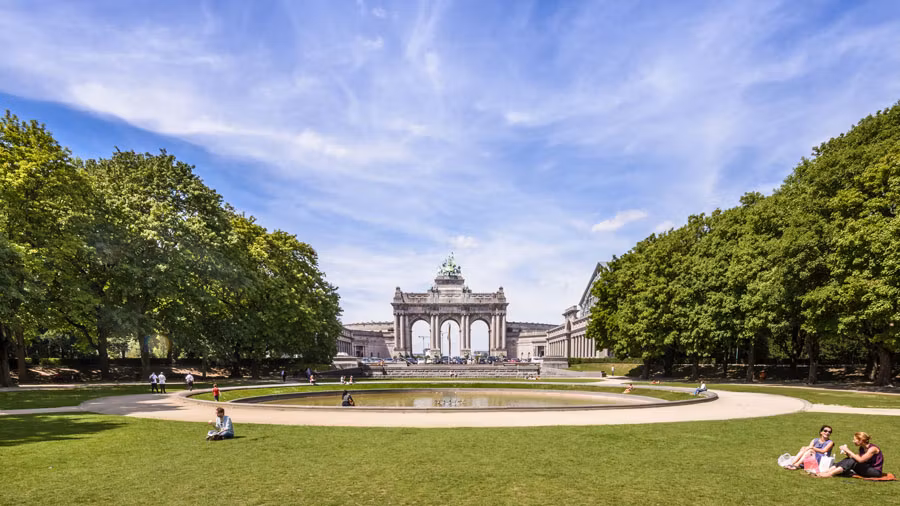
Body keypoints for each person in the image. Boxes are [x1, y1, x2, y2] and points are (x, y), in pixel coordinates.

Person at [815, 432, 883, 478]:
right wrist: (847, 453)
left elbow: (861, 460)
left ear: (861, 440)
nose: (853, 441)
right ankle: (827, 471)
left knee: (852, 460)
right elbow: (856, 458)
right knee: (849, 460)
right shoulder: (862, 448)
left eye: (855, 440)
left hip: (875, 471)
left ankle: (830, 474)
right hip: (866, 468)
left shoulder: (873, 449)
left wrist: (848, 450)